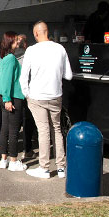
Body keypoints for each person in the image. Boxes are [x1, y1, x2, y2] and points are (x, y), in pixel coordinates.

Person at [20, 21, 73, 179]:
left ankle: (44, 168)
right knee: (56, 129)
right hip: (55, 95)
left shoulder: (31, 50)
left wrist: (27, 94)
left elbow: (24, 76)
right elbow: (68, 75)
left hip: (37, 97)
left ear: (36, 34)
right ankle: (61, 167)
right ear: (47, 32)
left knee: (43, 131)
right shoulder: (60, 49)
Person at [0, 32, 28, 172]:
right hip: (12, 97)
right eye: (15, 41)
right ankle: (13, 160)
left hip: (6, 97)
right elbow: (7, 80)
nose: (17, 43)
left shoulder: (5, 58)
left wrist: (5, 98)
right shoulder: (11, 58)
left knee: (5, 129)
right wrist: (7, 99)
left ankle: (4, 159)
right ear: (10, 43)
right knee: (13, 131)